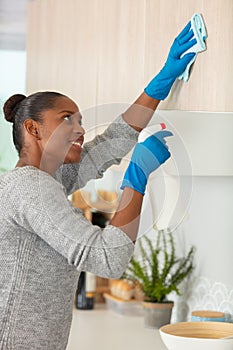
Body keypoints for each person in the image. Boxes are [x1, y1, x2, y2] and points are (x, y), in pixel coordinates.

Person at [0, 22, 196, 349]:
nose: (80, 128)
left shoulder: (45, 179)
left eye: (80, 120)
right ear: (33, 129)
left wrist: (162, 80)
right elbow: (106, 259)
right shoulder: (30, 189)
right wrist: (137, 176)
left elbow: (110, 143)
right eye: (67, 119)